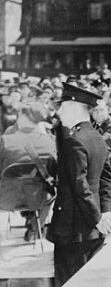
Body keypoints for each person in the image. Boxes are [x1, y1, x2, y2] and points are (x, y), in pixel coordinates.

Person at [47, 83, 111, 287]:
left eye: (62, 106)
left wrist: (98, 219)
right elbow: (107, 180)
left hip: (72, 229)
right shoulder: (96, 137)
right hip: (93, 230)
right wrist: (107, 213)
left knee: (69, 281)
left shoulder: (73, 141)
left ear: (74, 108)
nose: (58, 111)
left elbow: (80, 186)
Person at [0, 102, 57, 241]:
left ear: (23, 118)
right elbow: (54, 174)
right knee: (50, 190)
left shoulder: (5, 140)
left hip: (6, 199)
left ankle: (30, 220)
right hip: (38, 198)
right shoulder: (49, 141)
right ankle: (35, 227)